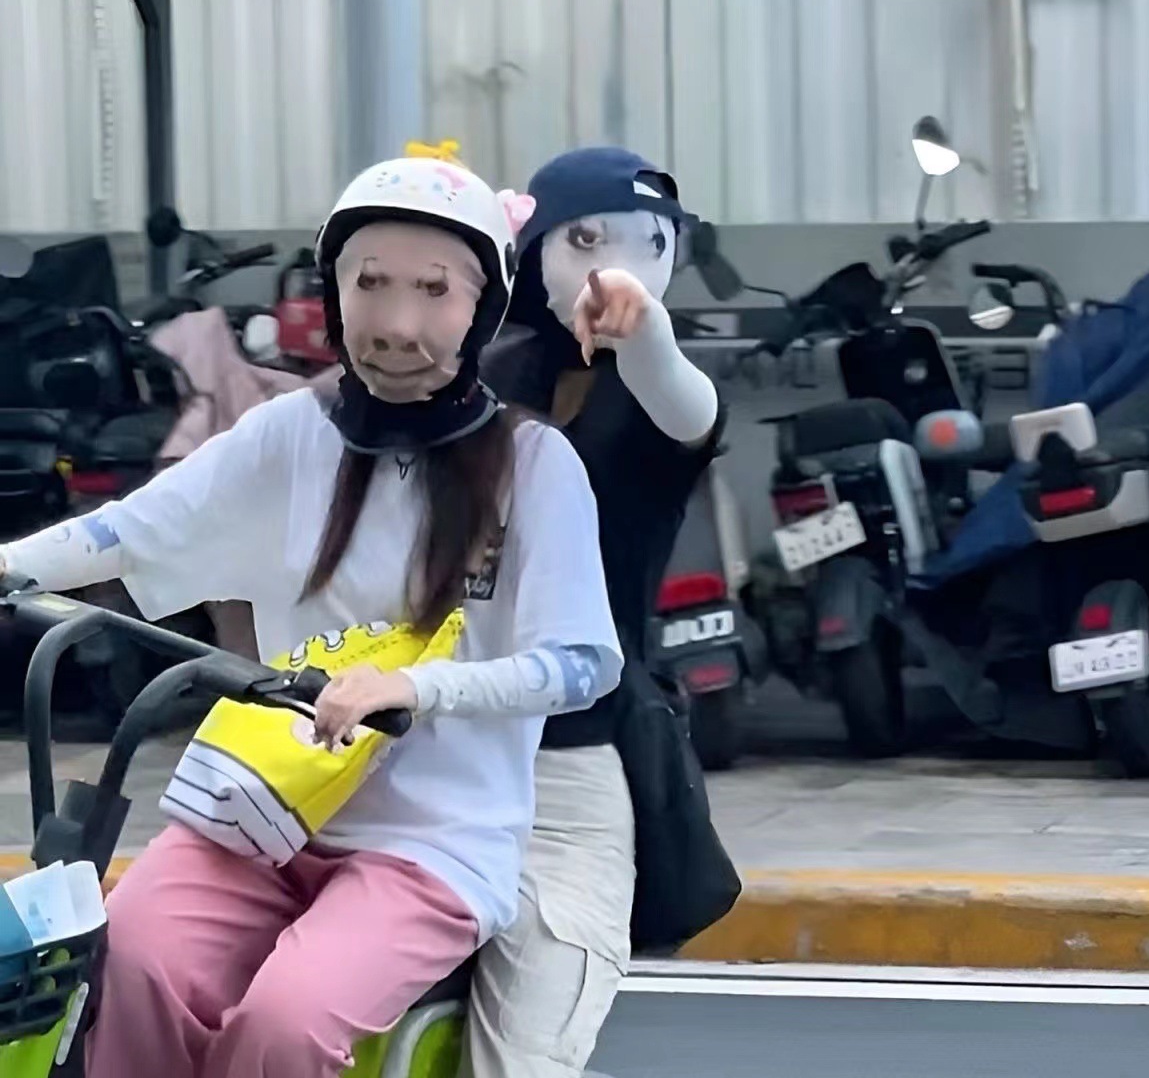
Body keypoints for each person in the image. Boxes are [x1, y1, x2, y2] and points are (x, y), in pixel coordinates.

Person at [0, 157, 624, 1078]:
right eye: (370, 284)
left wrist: (416, 688)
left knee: (285, 1023)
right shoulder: (291, 431)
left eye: (434, 291)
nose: (397, 323)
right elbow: (130, 531)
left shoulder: (536, 466)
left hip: (433, 844)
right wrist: (10, 564)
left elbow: (583, 662)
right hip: (262, 807)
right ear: (334, 294)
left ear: (483, 308)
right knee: (128, 959)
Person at [464, 146, 727, 1078]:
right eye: (583, 241)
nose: (617, 265)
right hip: (430, 739)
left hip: (575, 753)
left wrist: (644, 328)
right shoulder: (478, 376)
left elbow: (688, 407)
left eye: (651, 244)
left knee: (524, 1054)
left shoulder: (654, 396)